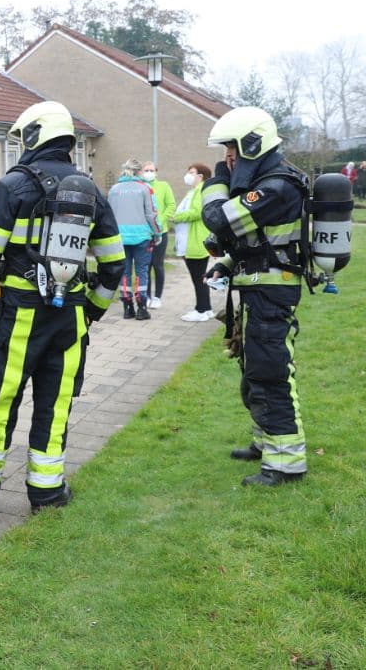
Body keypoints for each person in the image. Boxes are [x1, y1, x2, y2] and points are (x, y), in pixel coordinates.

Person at [0, 101, 124, 516]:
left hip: (22, 311)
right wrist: (92, 311)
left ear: (32, 137)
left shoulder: (13, 186)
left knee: (2, 397)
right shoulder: (89, 190)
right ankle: (47, 493)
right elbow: (114, 265)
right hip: (71, 315)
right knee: (56, 399)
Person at [201, 107, 308, 487]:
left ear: (251, 145)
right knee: (254, 372)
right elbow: (255, 240)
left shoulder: (277, 187)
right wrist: (227, 263)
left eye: (231, 150)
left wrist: (215, 181)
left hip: (271, 292)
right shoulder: (268, 183)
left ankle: (286, 464)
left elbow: (217, 218)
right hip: (258, 288)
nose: (227, 158)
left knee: (272, 373)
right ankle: (266, 444)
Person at [107, 158, 160, 319]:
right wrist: (157, 233)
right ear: (139, 171)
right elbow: (151, 215)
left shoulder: (114, 189)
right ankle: (141, 308)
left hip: (120, 238)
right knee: (141, 271)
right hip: (142, 237)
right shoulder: (145, 188)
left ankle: (127, 307)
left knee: (124, 271)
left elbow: (109, 215)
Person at [172, 163, 214, 321]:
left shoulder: (200, 190)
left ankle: (201, 310)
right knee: (200, 277)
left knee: (198, 278)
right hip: (193, 240)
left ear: (200, 176)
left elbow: (197, 212)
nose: (188, 175)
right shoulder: (195, 191)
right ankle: (207, 308)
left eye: (191, 172)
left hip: (195, 240)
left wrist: (176, 217)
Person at [140, 161, 176, 309]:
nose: (149, 172)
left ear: (156, 172)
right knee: (145, 265)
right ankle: (146, 295)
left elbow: (171, 205)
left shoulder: (164, 186)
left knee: (158, 265)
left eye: (151, 170)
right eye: (146, 170)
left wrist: (158, 222)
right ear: (141, 172)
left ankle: (157, 297)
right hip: (144, 233)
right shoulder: (140, 187)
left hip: (161, 231)